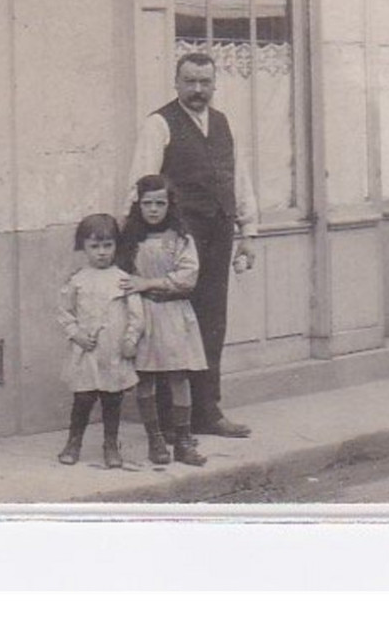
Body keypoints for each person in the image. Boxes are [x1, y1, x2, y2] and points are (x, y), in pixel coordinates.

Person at [126, 52, 257, 438]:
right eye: (190, 81)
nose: (198, 90)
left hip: (217, 236)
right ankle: (170, 419)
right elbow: (142, 183)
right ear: (176, 83)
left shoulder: (222, 123)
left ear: (214, 84)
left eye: (205, 82)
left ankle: (207, 412)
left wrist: (247, 233)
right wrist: (135, 242)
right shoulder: (158, 124)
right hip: (176, 242)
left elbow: (239, 179)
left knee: (211, 323)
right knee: (171, 327)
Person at [118, 174, 209, 467]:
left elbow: (188, 278)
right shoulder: (131, 239)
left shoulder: (181, 239)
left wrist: (149, 283)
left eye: (160, 203)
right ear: (138, 205)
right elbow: (124, 277)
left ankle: (182, 440)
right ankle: (155, 439)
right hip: (143, 314)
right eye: (148, 203)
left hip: (174, 313)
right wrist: (136, 289)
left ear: (170, 205)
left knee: (178, 375)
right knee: (146, 377)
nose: (154, 209)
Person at [57, 213, 145, 468]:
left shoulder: (123, 278)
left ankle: (111, 444)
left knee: (112, 399)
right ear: (83, 247)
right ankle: (74, 442)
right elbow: (64, 312)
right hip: (87, 351)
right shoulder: (78, 280)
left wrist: (130, 339)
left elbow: (136, 315)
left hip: (114, 351)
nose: (102, 252)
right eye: (94, 246)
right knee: (83, 398)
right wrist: (77, 335)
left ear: (116, 245)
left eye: (107, 245)